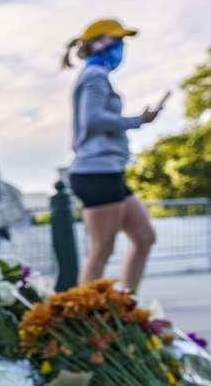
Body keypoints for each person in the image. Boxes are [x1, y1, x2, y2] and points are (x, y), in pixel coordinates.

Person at [62, 18, 162, 291]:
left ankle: (126, 303)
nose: (121, 47)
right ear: (98, 44)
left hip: (109, 171)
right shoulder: (94, 75)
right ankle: (82, 319)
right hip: (96, 173)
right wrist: (138, 120)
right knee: (101, 252)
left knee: (144, 237)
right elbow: (92, 119)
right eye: (117, 41)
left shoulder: (96, 75)